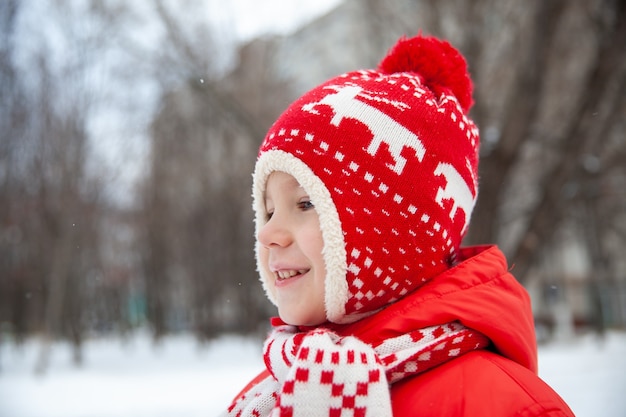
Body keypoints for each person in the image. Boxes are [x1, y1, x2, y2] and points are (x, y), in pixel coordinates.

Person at [221, 34, 575, 417]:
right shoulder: (273, 392)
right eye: (269, 210)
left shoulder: (504, 405)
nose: (267, 233)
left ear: (389, 234)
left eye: (306, 203)